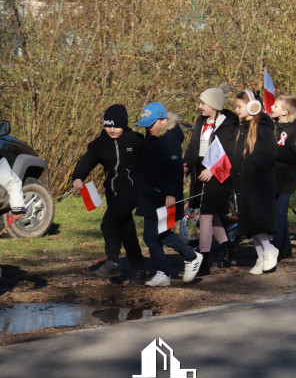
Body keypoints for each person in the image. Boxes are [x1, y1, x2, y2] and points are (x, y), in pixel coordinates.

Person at [71, 104, 147, 283]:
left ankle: (113, 261)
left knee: (109, 222)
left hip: (133, 189)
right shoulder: (99, 144)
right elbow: (85, 161)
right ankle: (139, 270)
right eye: (108, 126)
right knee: (126, 230)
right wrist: (78, 177)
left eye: (116, 126)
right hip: (113, 192)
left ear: (125, 125)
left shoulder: (135, 140)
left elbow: (152, 160)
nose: (112, 130)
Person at [135, 102, 202, 287]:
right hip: (150, 194)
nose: (148, 128)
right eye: (146, 124)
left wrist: (171, 192)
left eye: (151, 124)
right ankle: (163, 272)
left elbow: (174, 169)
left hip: (165, 196)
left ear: (164, 121)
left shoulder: (169, 139)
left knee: (160, 233)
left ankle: (191, 256)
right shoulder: (153, 136)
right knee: (152, 236)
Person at [183, 87, 240, 272]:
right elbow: (193, 147)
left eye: (203, 103)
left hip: (219, 174)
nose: (199, 107)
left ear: (215, 105)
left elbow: (230, 154)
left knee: (206, 215)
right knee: (214, 215)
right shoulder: (201, 121)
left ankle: (204, 259)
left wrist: (213, 170)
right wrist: (185, 165)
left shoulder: (229, 125)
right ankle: (227, 248)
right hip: (201, 170)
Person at [230, 91, 279, 275]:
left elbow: (269, 154)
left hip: (258, 184)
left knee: (258, 221)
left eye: (239, 106)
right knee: (250, 223)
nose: (236, 110)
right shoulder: (243, 127)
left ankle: (269, 250)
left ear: (252, 106)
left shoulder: (263, 127)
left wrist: (251, 166)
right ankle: (261, 256)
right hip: (244, 182)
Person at [270, 94, 296, 259]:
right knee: (276, 212)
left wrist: (274, 152)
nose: (272, 107)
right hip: (274, 175)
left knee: (280, 210)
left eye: (276, 106)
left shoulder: (295, 130)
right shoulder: (274, 127)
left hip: (288, 177)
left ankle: (277, 247)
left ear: (284, 111)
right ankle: (285, 247)